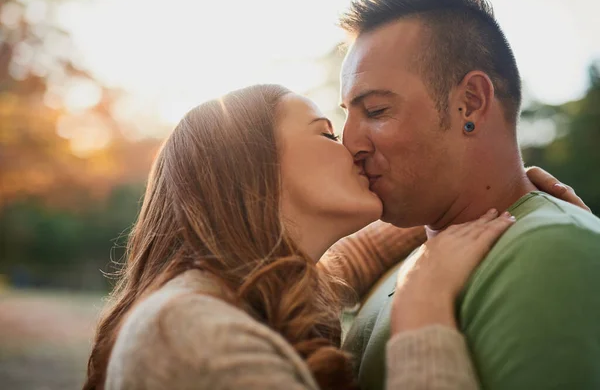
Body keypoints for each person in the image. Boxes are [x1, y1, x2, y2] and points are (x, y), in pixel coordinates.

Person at [81, 84, 575, 390]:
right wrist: (422, 306)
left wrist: (492, 193)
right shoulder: (191, 335)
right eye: (327, 134)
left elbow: (344, 266)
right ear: (254, 169)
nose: (355, 147)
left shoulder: (245, 294)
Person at [337, 0, 600, 389]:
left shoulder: (552, 250)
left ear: (470, 103)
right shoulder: (405, 264)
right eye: (348, 115)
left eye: (375, 111)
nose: (349, 143)